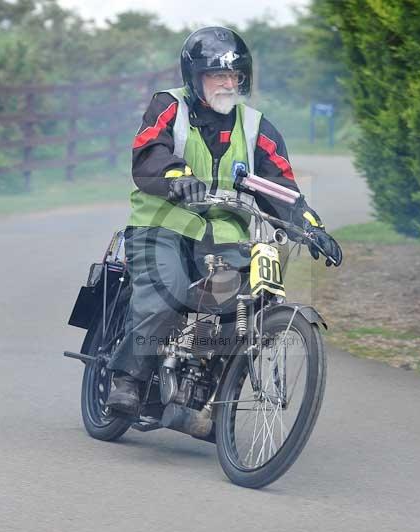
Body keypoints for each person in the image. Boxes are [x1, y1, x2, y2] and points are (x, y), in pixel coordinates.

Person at [106, 26, 342, 414]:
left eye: (234, 76)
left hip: (223, 235)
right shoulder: (169, 105)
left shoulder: (255, 127)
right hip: (163, 224)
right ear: (195, 77)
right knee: (168, 292)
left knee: (246, 301)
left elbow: (281, 185)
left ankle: (209, 390)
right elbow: (149, 152)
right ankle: (128, 378)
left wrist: (312, 226)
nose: (227, 83)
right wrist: (178, 178)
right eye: (217, 75)